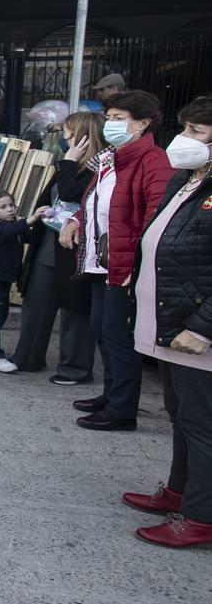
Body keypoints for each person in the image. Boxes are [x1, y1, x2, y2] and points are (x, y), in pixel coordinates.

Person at [123, 96, 212, 548]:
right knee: (182, 417)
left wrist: (204, 326)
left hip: (195, 330)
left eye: (198, 131)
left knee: (202, 423)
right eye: (187, 128)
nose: (186, 139)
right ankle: (179, 491)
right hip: (171, 321)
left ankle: (202, 516)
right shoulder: (189, 181)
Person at [60, 90, 175, 431]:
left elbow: (157, 215)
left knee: (118, 336)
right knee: (102, 330)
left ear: (143, 123)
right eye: (109, 118)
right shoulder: (111, 159)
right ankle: (111, 395)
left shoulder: (153, 162)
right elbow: (95, 202)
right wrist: (76, 220)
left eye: (119, 119)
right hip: (101, 260)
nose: (111, 125)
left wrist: (138, 263)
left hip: (124, 266)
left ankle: (122, 410)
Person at [10, 111, 104, 384]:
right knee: (36, 302)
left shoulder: (97, 167)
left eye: (68, 132)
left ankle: (74, 368)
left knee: (75, 310)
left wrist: (69, 162)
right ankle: (27, 357)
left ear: (85, 136)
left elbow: (70, 193)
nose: (63, 137)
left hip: (76, 248)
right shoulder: (69, 163)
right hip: (49, 245)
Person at [0, 190, 45, 374]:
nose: (10, 210)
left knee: (0, 315)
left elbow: (29, 236)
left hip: (3, 280)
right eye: (3, 207)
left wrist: (45, 223)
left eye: (11, 205)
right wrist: (31, 219)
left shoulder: (14, 226)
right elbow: (12, 231)